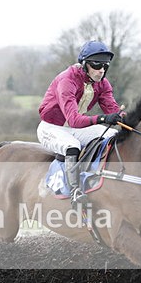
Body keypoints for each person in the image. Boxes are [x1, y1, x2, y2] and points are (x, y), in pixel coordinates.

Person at [37, 40, 125, 206]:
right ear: (84, 65)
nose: (101, 71)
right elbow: (74, 119)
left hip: (75, 127)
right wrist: (103, 119)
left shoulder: (103, 84)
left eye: (105, 66)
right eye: (97, 66)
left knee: (115, 135)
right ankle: (75, 191)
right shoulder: (67, 81)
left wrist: (128, 119)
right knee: (72, 146)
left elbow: (112, 109)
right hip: (52, 127)